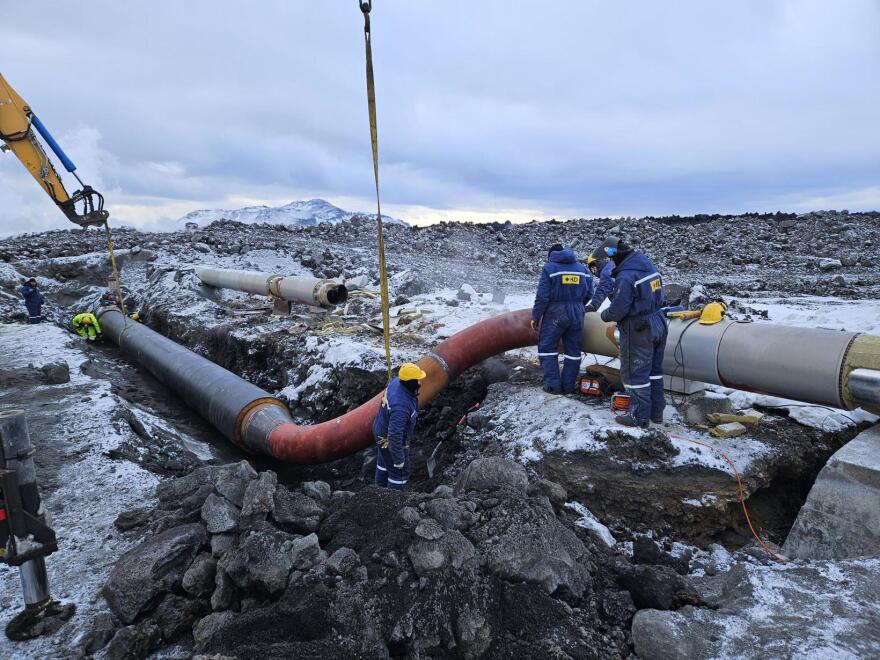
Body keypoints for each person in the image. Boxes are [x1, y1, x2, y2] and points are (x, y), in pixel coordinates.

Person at [597, 237, 667, 427]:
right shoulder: (649, 267)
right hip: (658, 320)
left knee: (635, 373)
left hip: (638, 327)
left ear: (616, 256)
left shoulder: (626, 277)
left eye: (610, 260)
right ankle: (656, 413)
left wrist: (604, 315)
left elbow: (618, 310)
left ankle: (639, 416)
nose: (610, 264)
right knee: (654, 371)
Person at [530, 244, 593, 393]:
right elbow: (590, 293)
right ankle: (568, 386)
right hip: (577, 312)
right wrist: (578, 305)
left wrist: (536, 316)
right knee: (573, 350)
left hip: (556, 312)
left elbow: (542, 297)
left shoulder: (550, 268)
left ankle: (553, 385)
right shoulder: (583, 269)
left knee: (547, 347)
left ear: (551, 255)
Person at [373, 363, 426, 490]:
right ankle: (393, 500)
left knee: (384, 463)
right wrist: (399, 460)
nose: (420, 383)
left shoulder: (396, 382)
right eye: (417, 380)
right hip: (388, 439)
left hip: (380, 430)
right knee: (399, 474)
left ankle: (378, 491)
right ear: (410, 382)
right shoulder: (401, 406)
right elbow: (394, 436)